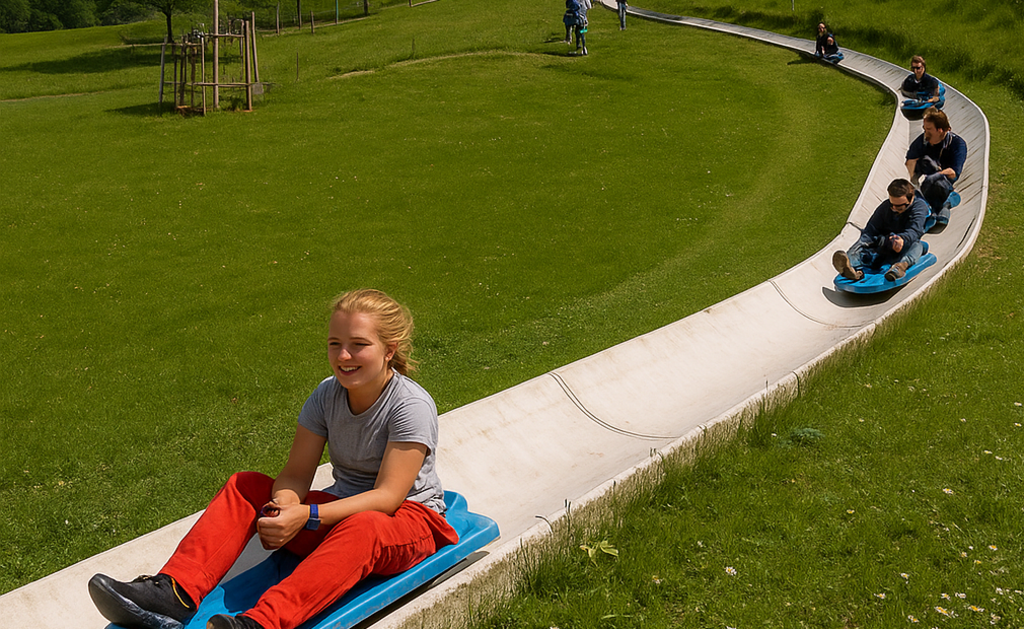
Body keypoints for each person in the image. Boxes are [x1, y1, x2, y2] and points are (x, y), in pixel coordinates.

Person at [88, 289, 458, 629]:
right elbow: (296, 474)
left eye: (358, 345)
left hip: (408, 520)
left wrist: (308, 515)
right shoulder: (326, 395)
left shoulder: (410, 405)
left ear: (389, 350)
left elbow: (388, 497)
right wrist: (284, 506)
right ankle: (174, 593)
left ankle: (262, 623)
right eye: (335, 343)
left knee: (364, 526)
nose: (343, 356)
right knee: (247, 486)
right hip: (341, 510)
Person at [832, 179, 929, 282]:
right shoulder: (885, 207)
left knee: (918, 245)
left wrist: (902, 240)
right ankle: (853, 268)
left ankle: (900, 267)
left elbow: (915, 230)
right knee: (862, 246)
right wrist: (861, 245)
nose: (894, 208)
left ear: (911, 199)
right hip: (884, 246)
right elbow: (870, 230)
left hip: (905, 245)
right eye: (892, 205)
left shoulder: (919, 207)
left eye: (899, 206)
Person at [905, 107, 968, 222]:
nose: (925, 133)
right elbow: (910, 160)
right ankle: (927, 205)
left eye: (929, 129)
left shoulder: (957, 144)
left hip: (944, 181)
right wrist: (914, 182)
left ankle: (946, 202)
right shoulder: (923, 140)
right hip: (926, 179)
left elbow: (954, 173)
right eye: (924, 129)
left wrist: (936, 175)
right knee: (924, 161)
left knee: (937, 184)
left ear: (940, 130)